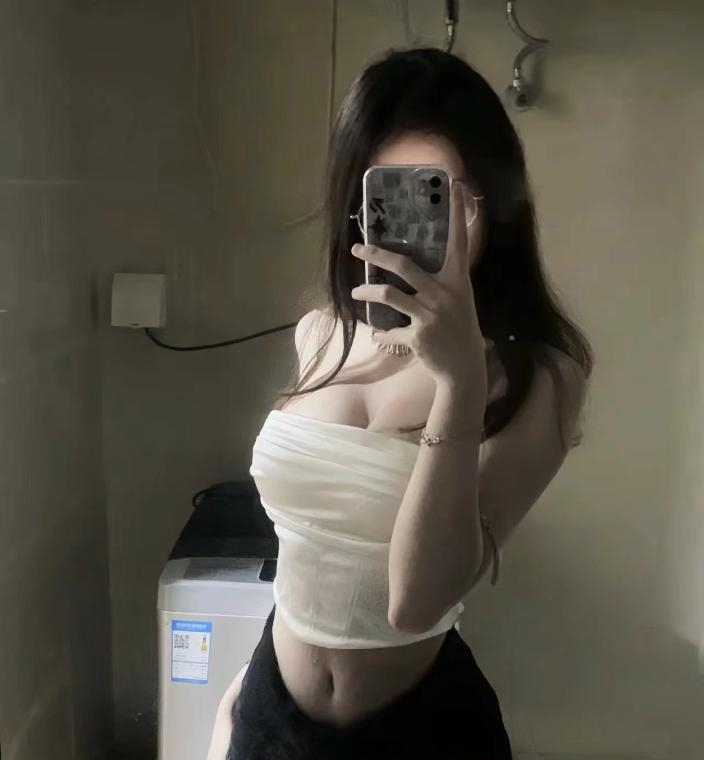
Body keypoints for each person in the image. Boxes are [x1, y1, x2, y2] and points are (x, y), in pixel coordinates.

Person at [208, 46, 593, 760]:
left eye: (441, 198)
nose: (417, 229)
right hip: (270, 713)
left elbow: (417, 603)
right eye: (389, 196)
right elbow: (307, 552)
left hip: (420, 735)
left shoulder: (538, 378)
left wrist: (459, 386)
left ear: (492, 207)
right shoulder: (319, 333)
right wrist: (235, 703)